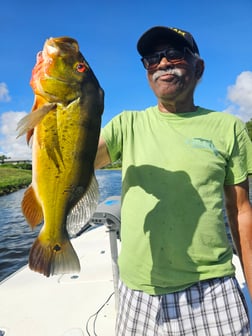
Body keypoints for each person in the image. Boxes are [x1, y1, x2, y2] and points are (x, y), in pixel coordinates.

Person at [95, 26, 252, 335]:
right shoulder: (127, 124)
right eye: (152, 59)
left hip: (212, 288)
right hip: (139, 291)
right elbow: (76, 160)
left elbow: (241, 212)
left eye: (174, 54)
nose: (163, 63)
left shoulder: (229, 128)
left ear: (198, 66)